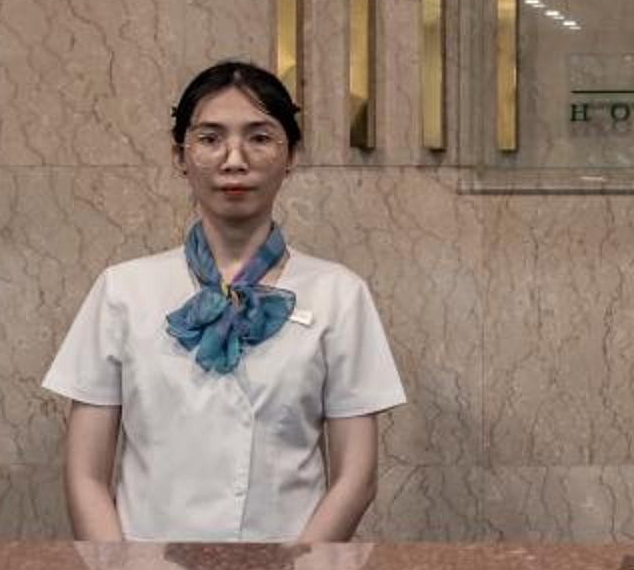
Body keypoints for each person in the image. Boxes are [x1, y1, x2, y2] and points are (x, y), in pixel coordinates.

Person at [44, 61, 406, 543]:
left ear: (292, 155)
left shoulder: (339, 294)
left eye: (260, 138)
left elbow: (356, 478)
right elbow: (85, 475)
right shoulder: (122, 291)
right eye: (210, 138)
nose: (234, 159)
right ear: (180, 155)